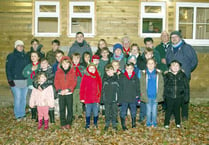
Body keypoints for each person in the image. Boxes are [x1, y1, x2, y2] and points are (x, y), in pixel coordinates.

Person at [166, 31, 198, 121]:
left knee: (184, 95)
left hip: (183, 76)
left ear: (180, 37)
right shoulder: (169, 48)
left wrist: (187, 70)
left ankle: (184, 114)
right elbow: (168, 60)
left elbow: (194, 61)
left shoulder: (187, 48)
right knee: (172, 94)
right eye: (172, 37)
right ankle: (172, 113)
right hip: (172, 76)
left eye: (176, 37)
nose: (174, 38)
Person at [6, 40, 30, 121]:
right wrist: (10, 80)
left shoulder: (26, 56)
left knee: (23, 98)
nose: (20, 47)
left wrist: (29, 78)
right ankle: (18, 115)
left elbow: (29, 68)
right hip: (15, 81)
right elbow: (8, 69)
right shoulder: (11, 56)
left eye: (22, 46)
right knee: (18, 98)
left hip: (25, 81)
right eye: (19, 45)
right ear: (15, 47)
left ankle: (22, 114)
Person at [164, 60, 189, 129]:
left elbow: (186, 86)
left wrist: (186, 96)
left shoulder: (183, 75)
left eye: (177, 66)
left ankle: (178, 122)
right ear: (170, 67)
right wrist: (164, 95)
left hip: (179, 96)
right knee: (168, 109)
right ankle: (166, 123)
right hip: (169, 96)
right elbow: (164, 86)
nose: (175, 67)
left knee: (177, 109)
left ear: (180, 67)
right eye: (173, 65)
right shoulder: (167, 75)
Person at [54, 56, 77, 129]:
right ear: (61, 64)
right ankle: (63, 123)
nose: (65, 65)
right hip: (61, 94)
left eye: (67, 64)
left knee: (70, 108)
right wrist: (59, 90)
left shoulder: (72, 72)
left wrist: (68, 90)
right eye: (63, 64)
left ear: (70, 64)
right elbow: (56, 82)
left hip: (69, 93)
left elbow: (74, 82)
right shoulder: (58, 72)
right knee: (62, 109)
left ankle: (69, 122)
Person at [140, 58, 164, 127]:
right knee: (148, 110)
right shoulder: (144, 74)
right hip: (147, 96)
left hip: (155, 96)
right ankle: (148, 123)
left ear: (155, 64)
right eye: (149, 63)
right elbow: (142, 85)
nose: (150, 65)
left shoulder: (158, 74)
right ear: (146, 65)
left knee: (154, 111)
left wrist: (160, 95)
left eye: (152, 63)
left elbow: (161, 85)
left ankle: (154, 122)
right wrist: (143, 95)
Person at [33, 58, 56, 123]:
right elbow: (34, 80)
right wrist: (37, 86)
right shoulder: (38, 72)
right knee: (40, 103)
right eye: (42, 63)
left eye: (45, 63)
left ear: (48, 64)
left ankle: (52, 119)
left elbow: (51, 80)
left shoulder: (51, 71)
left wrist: (43, 86)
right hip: (39, 91)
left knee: (49, 103)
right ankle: (40, 117)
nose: (43, 64)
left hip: (48, 90)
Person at [118, 63, 140, 130]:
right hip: (124, 98)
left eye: (131, 68)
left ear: (133, 69)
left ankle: (133, 123)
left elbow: (138, 88)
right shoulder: (122, 77)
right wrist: (119, 98)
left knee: (133, 111)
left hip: (133, 97)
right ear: (125, 69)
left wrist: (138, 96)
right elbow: (120, 88)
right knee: (123, 111)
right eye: (127, 68)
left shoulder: (135, 77)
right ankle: (123, 125)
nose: (129, 70)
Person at [80, 63, 102, 129]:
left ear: (95, 69)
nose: (92, 70)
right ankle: (87, 123)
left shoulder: (97, 76)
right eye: (90, 68)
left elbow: (100, 87)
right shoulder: (85, 77)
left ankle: (95, 123)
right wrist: (82, 97)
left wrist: (100, 96)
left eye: (93, 68)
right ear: (87, 69)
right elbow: (82, 87)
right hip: (87, 98)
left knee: (95, 112)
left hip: (95, 98)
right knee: (88, 112)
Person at [22, 51, 40, 121]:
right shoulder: (29, 66)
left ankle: (39, 115)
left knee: (38, 100)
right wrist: (30, 70)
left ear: (38, 57)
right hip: (30, 86)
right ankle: (33, 114)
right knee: (32, 100)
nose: (33, 57)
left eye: (35, 56)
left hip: (38, 87)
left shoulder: (40, 66)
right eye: (32, 56)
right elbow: (24, 73)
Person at [101, 64, 119, 131]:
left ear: (114, 71)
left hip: (114, 98)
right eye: (108, 71)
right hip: (107, 99)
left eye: (111, 71)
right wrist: (102, 99)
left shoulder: (116, 79)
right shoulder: (104, 80)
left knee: (114, 112)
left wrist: (118, 98)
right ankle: (107, 123)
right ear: (106, 72)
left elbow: (119, 89)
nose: (110, 73)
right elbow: (102, 90)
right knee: (107, 112)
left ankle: (114, 123)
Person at [71, 53, 85, 119]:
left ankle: (79, 113)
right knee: (73, 101)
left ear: (80, 59)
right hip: (73, 87)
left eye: (77, 58)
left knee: (80, 101)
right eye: (74, 58)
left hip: (80, 87)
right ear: (72, 59)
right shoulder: (70, 68)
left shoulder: (82, 68)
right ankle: (73, 113)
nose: (76, 60)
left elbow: (85, 76)